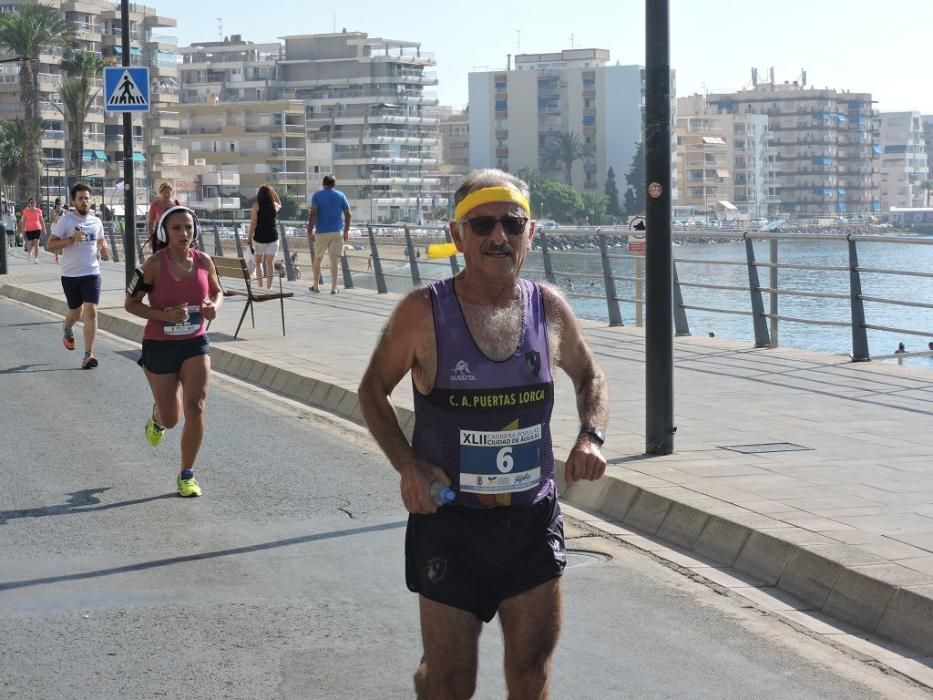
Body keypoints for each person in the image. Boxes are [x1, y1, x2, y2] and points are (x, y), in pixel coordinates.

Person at [357, 169, 609, 698]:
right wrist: (408, 465)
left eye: (512, 224)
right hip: (450, 523)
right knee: (450, 685)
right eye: (483, 224)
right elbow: (372, 390)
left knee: (531, 671)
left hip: (532, 522)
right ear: (458, 235)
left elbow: (590, 376)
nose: (499, 236)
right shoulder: (422, 313)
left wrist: (590, 436)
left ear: (530, 233)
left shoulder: (551, 309)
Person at [124, 205, 223, 498]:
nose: (184, 233)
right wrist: (166, 316)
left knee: (196, 407)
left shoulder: (204, 261)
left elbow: (217, 292)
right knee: (172, 418)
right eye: (177, 228)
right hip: (160, 345)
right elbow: (130, 304)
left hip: (195, 342)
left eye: (189, 228)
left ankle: (187, 474)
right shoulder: (153, 265)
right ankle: (157, 417)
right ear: (165, 232)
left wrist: (212, 309)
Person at [46, 183, 110, 369]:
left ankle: (89, 355)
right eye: (80, 198)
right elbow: (49, 245)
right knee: (76, 312)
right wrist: (72, 240)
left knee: (91, 311)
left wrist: (103, 246)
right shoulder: (66, 221)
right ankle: (67, 326)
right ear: (74, 201)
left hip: (91, 273)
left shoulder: (96, 222)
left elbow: (100, 239)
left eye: (87, 198)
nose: (84, 201)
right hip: (70, 275)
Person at [307, 174, 351, 294]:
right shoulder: (340, 195)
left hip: (321, 231)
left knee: (318, 258)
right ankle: (334, 288)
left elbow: (313, 215)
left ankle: (316, 285)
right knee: (334, 261)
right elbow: (348, 214)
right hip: (337, 231)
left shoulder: (317, 196)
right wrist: (346, 230)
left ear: (323, 183)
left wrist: (310, 231)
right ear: (334, 184)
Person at [247, 184, 281, 289]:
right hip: (273, 237)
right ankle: (269, 287)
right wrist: (274, 193)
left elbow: (253, 223)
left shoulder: (256, 206)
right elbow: (280, 204)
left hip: (259, 238)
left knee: (258, 263)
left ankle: (260, 286)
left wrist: (249, 237)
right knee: (270, 263)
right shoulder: (274, 205)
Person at [21, 198, 45, 264]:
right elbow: (23, 221)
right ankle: (29, 254)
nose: (32, 204)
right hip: (29, 229)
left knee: (36, 243)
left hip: (37, 228)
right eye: (31, 202)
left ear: (35, 204)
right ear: (29, 204)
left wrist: (44, 229)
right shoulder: (25, 211)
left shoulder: (39, 211)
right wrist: (23, 230)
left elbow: (42, 221)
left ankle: (36, 258)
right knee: (30, 244)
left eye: (33, 203)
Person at [49, 197, 64, 264]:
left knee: (63, 242)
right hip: (55, 228)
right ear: (55, 204)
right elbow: (52, 220)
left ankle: (63, 257)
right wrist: (57, 214)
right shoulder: (53, 211)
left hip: (63, 228)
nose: (59, 205)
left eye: (60, 204)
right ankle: (56, 257)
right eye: (57, 204)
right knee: (57, 243)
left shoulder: (64, 211)